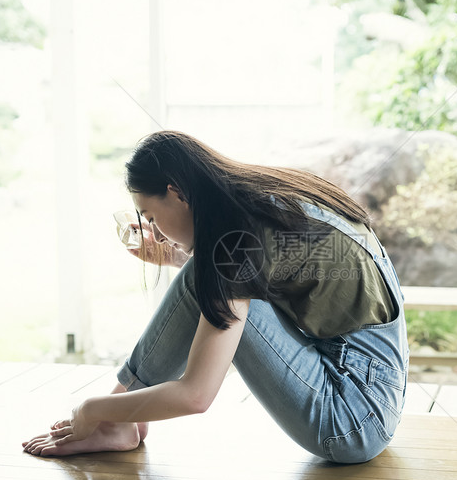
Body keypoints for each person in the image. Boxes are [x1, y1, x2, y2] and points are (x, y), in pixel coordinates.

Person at [22, 130, 409, 463]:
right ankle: (119, 421)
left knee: (209, 269)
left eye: (152, 218)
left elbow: (195, 396)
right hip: (373, 396)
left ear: (176, 191)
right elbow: (264, 266)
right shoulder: (263, 200)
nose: (155, 231)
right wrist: (180, 256)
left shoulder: (233, 245)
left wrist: (89, 410)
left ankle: (112, 420)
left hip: (351, 421)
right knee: (206, 269)